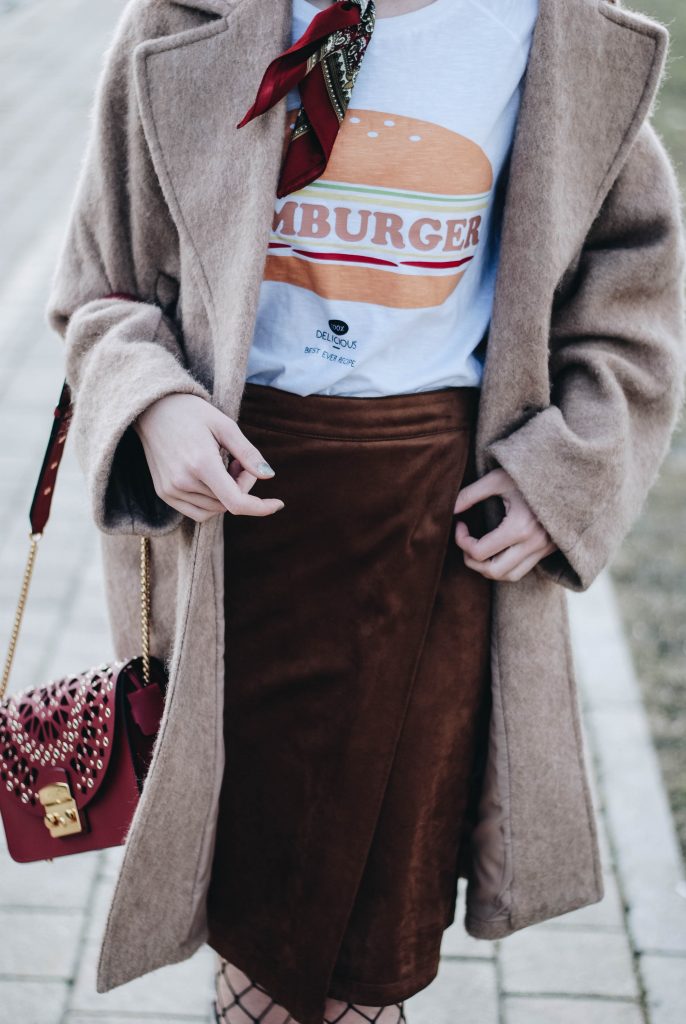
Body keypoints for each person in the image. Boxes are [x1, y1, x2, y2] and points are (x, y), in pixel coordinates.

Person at [44, 1, 685, 1023]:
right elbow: (101, 283)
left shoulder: (552, 32)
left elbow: (632, 298)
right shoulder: (185, 18)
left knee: (367, 964)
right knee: (261, 952)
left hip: (434, 535)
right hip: (234, 535)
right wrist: (154, 401)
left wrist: (560, 476)